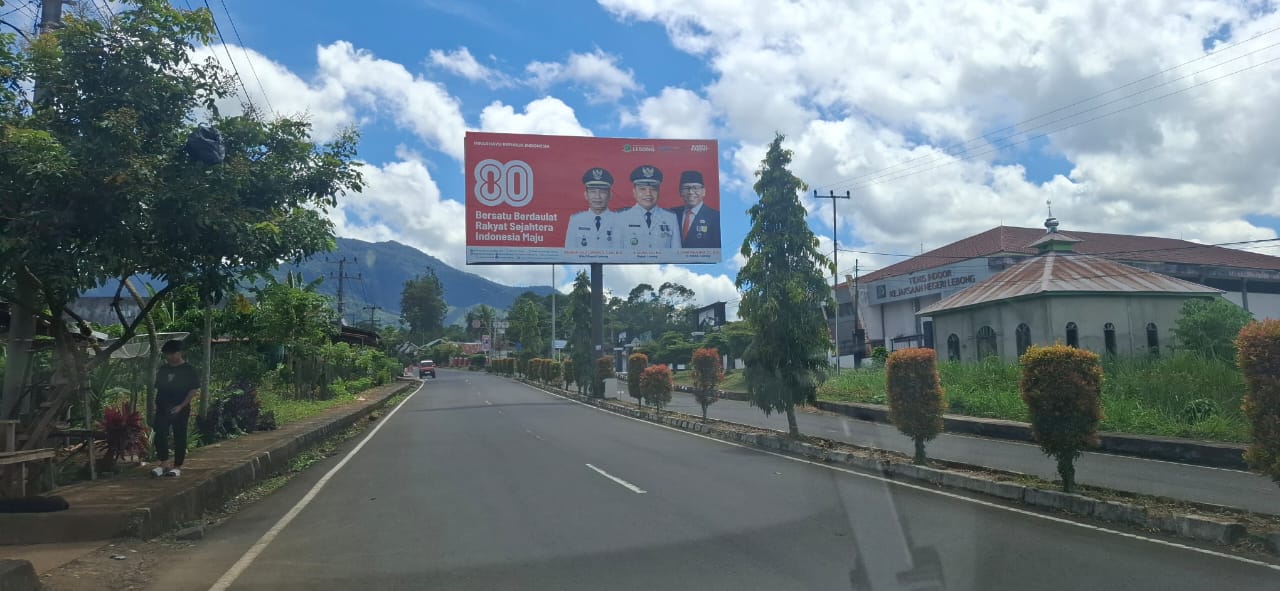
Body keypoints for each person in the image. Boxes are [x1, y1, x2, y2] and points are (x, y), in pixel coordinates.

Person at [151, 339, 200, 478]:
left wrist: (181, 405)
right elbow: (158, 388)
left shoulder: (188, 369)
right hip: (162, 408)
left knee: (179, 436)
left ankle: (177, 466)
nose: (170, 357)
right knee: (159, 434)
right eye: (167, 354)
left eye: (172, 354)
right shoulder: (163, 369)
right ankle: (164, 463)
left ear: (179, 353)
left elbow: (193, 390)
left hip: (180, 407)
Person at [619, 165, 680, 250]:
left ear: (659, 192)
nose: (648, 193)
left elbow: (676, 253)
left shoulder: (671, 218)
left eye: (653, 189)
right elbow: (616, 255)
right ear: (634, 192)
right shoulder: (621, 218)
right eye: (642, 189)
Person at [564, 167, 619, 249]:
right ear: (586, 195)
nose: (597, 196)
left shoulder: (619, 221)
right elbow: (569, 253)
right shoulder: (576, 221)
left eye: (603, 192)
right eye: (593, 192)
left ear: (610, 195)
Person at [668, 170, 720, 248]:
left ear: (703, 191)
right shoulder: (670, 214)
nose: (691, 192)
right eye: (686, 188)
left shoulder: (715, 217)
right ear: (680, 191)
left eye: (696, 188)